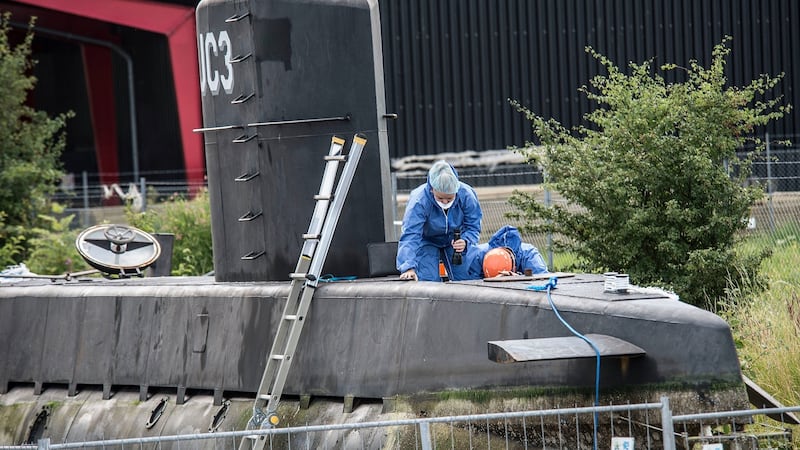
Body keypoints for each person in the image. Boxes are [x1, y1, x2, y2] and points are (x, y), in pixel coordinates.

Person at [397, 160, 482, 281]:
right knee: (428, 281)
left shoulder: (467, 195)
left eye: (450, 198)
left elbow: (473, 225)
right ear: (432, 189)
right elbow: (411, 235)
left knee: (467, 278)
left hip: (455, 241)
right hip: (427, 241)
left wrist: (466, 241)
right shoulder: (419, 201)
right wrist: (408, 267)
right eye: (440, 198)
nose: (445, 202)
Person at [466, 225, 548, 279]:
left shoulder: (529, 255)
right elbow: (470, 285)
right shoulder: (478, 255)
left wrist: (519, 279)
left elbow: (542, 280)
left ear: (514, 266)